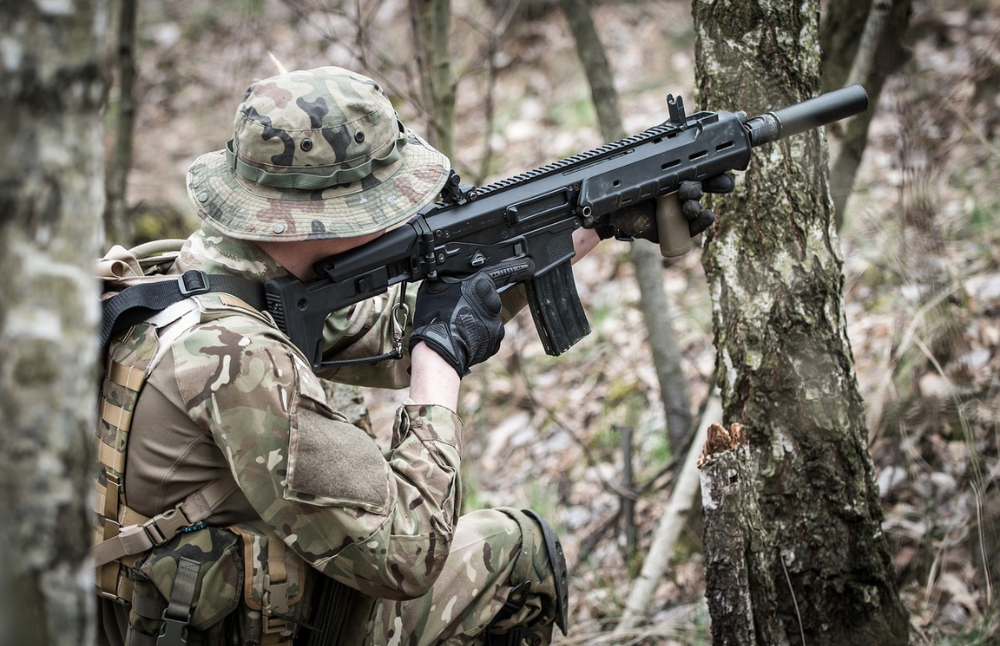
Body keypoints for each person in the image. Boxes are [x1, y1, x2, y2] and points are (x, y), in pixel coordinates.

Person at [92, 65, 722, 646]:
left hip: (152, 614)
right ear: (323, 216)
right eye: (383, 199)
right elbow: (407, 554)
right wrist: (438, 366)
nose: (403, 211)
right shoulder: (238, 359)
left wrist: (592, 221)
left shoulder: (187, 278)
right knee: (518, 548)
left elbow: (388, 329)